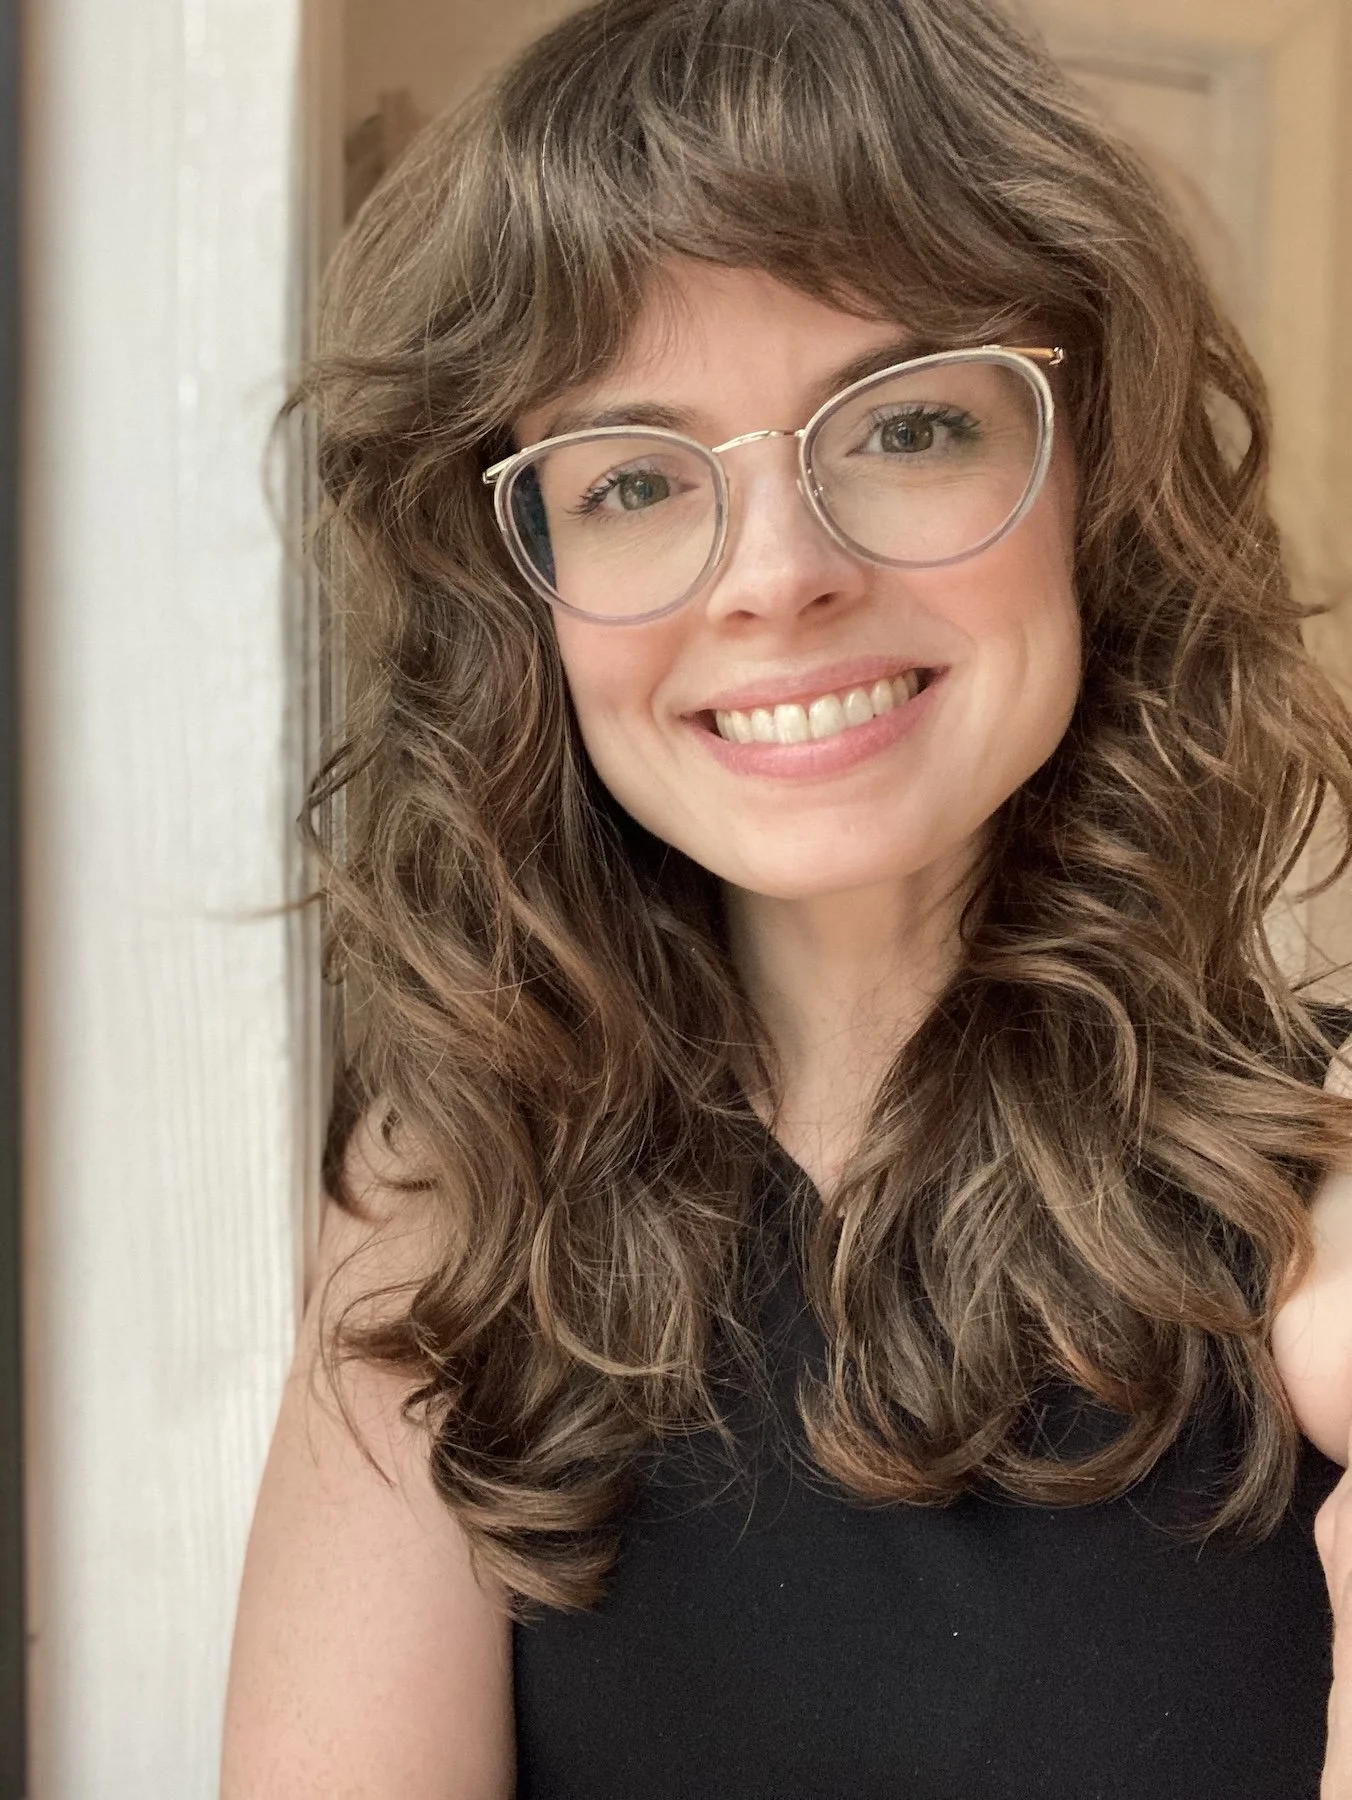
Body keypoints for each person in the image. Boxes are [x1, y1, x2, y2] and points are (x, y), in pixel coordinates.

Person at [220, 0, 1352, 1793]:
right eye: (638, 481)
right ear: (526, 595)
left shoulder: (1318, 1195)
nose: (778, 579)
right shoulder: (450, 1215)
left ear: (1090, 476)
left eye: (905, 430)